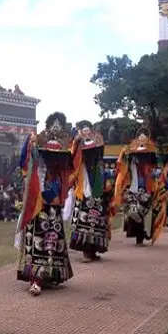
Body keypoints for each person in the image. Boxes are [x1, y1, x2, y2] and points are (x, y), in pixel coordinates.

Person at [16, 112, 74, 296]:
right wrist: (30, 144)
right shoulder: (38, 148)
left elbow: (70, 170)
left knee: (52, 239)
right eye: (53, 125)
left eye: (59, 125)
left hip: (53, 203)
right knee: (36, 239)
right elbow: (25, 164)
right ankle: (36, 279)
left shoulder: (61, 164)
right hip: (37, 202)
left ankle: (50, 275)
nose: (55, 128)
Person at [112, 130, 168, 246]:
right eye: (140, 137)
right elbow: (122, 166)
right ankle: (138, 236)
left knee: (145, 214)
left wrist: (156, 173)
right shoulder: (130, 156)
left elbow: (158, 170)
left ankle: (142, 236)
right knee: (134, 213)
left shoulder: (151, 155)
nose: (142, 139)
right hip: (133, 189)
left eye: (144, 137)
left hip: (147, 189)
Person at [69, 122, 113, 262]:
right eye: (84, 130)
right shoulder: (77, 144)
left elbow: (100, 155)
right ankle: (86, 252)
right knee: (85, 219)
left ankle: (93, 250)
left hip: (96, 183)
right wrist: (77, 141)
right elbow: (72, 158)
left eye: (88, 130)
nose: (86, 133)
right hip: (84, 185)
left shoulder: (98, 141)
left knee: (97, 219)